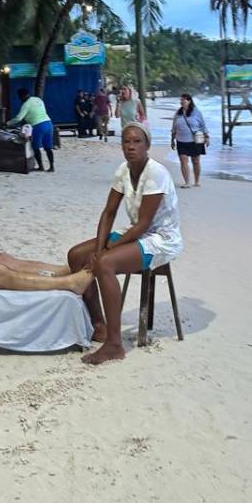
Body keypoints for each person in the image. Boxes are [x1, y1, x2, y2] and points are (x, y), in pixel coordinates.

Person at [66, 122, 181, 364]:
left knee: (104, 263)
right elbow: (109, 212)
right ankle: (100, 326)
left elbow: (144, 224)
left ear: (147, 145)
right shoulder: (123, 170)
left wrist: (104, 253)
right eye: (126, 142)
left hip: (160, 238)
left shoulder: (156, 173)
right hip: (135, 232)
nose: (131, 146)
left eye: (137, 141)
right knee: (77, 255)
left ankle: (114, 345)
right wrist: (99, 248)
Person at [8, 88, 55, 171]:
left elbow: (18, 118)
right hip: (48, 123)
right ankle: (52, 167)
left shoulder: (26, 104)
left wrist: (7, 123)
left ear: (21, 96)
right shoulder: (38, 99)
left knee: (35, 147)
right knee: (48, 147)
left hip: (38, 126)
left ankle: (41, 167)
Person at [171, 93, 209, 188]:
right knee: (183, 160)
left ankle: (196, 181)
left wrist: (207, 137)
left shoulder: (196, 112)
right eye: (181, 100)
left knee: (195, 161)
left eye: (184, 100)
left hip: (195, 141)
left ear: (189, 101)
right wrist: (172, 139)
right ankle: (187, 182)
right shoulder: (178, 113)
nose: (181, 101)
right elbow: (174, 127)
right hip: (181, 141)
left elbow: (202, 125)